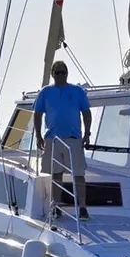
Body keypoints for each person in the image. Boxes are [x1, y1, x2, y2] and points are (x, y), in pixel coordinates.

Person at [33, 61, 92, 220]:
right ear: (52, 74)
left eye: (63, 72)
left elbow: (86, 113)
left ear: (67, 73)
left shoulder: (77, 91)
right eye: (58, 72)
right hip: (53, 139)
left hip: (73, 139)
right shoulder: (45, 92)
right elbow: (37, 114)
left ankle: (83, 208)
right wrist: (38, 136)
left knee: (78, 175)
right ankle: (56, 207)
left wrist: (87, 134)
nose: (61, 75)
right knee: (56, 175)